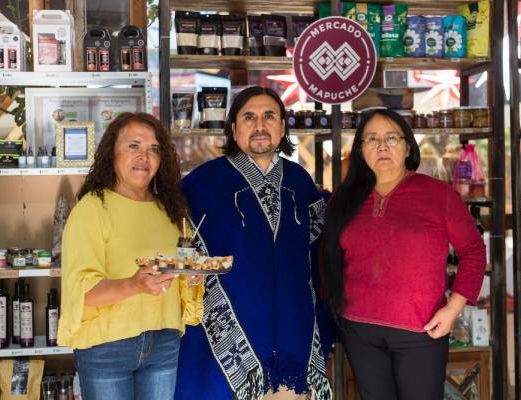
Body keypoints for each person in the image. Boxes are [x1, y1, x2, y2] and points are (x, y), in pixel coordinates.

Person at [175, 86, 333, 400]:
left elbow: (320, 259)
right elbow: (179, 248)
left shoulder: (299, 181)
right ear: (234, 129)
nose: (260, 126)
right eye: (249, 117)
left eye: (269, 116)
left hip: (293, 337)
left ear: (282, 127)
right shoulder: (201, 184)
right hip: (222, 342)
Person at [321, 109, 486, 400]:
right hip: (359, 330)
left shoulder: (438, 194)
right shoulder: (344, 199)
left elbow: (473, 251)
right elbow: (329, 260)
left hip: (422, 331)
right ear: (360, 149)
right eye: (372, 139)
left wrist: (453, 309)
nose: (382, 146)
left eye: (391, 138)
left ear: (408, 147)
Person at [58, 112, 204, 400]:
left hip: (164, 340)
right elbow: (81, 292)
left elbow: (183, 281)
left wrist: (192, 277)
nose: (144, 157)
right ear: (111, 152)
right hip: (106, 346)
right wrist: (134, 285)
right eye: (133, 146)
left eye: (154, 149)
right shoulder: (92, 209)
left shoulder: (172, 211)